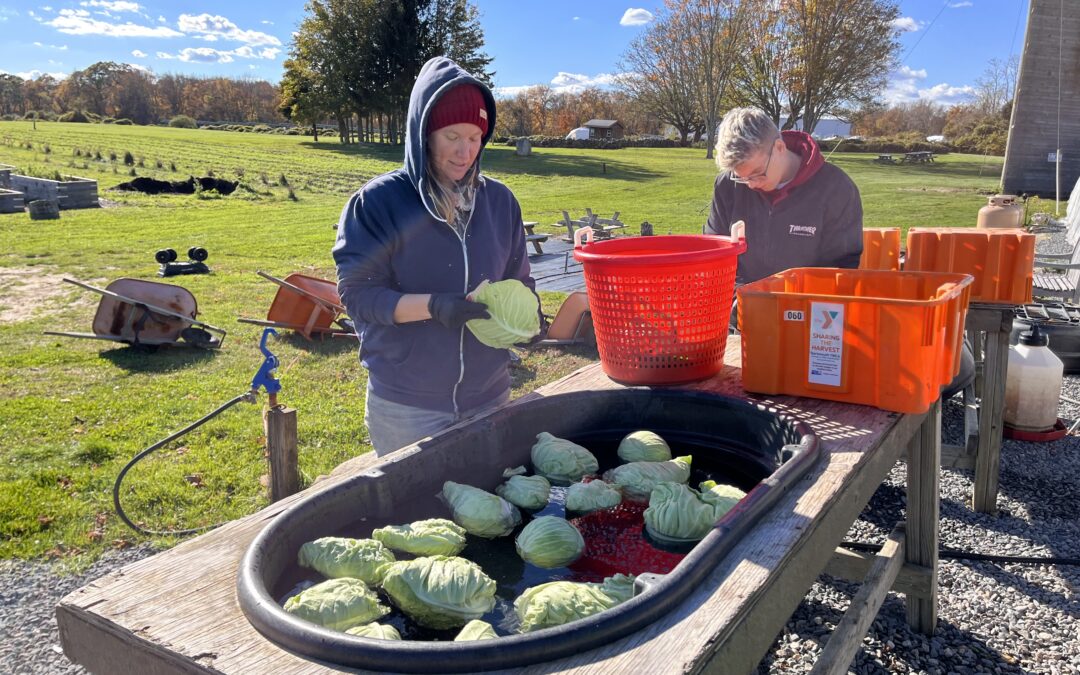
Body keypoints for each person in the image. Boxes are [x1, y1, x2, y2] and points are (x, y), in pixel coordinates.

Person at [333, 57, 539, 456]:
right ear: (424, 133)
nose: (466, 152)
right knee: (418, 513)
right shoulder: (378, 203)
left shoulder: (499, 202)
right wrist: (433, 306)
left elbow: (521, 279)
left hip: (490, 396)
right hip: (408, 407)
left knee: (489, 509)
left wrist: (529, 320)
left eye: (476, 137)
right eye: (452, 136)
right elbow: (359, 296)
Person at [705, 107, 863, 286]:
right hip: (740, 302)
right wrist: (737, 298)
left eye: (758, 172)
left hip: (807, 304)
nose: (751, 184)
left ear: (779, 147)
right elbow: (714, 253)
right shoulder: (727, 185)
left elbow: (841, 266)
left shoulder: (836, 188)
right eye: (741, 177)